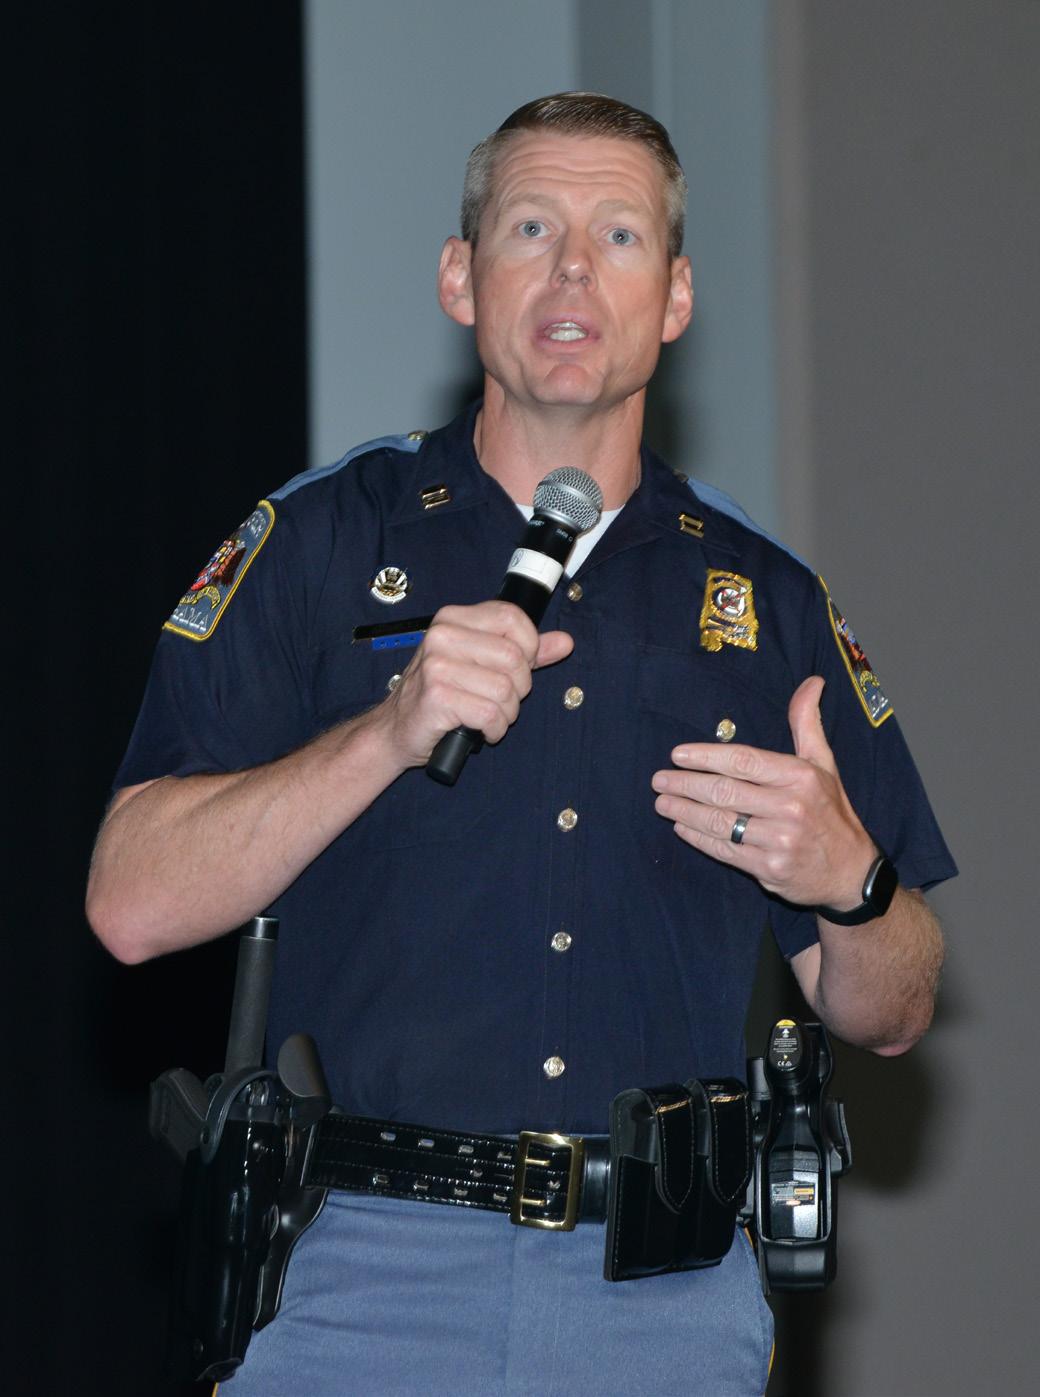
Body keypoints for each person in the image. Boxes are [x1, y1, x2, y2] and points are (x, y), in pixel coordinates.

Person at [87, 93, 955, 1395]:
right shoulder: (322, 543)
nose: (573, 270)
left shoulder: (767, 601)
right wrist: (385, 733)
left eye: (620, 236)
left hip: (663, 1299)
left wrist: (853, 882)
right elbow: (130, 905)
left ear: (675, 298)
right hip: (360, 1280)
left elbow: (897, 1007)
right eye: (532, 227)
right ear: (461, 277)